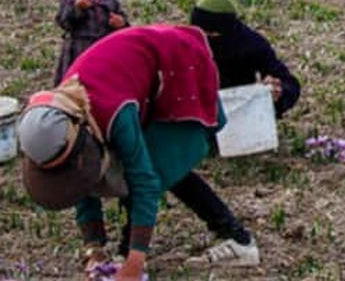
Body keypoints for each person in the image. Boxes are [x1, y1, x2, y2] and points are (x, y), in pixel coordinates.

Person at [17, 25, 259, 280]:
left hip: (177, 65)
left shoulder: (114, 113)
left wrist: (134, 259)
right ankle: (124, 251)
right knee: (149, 164)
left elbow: (145, 180)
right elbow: (76, 180)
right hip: (134, 76)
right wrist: (94, 248)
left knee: (162, 164)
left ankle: (240, 241)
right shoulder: (62, 115)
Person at [189, 0, 301, 117]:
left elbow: (289, 83)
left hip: (239, 112)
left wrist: (279, 92)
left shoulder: (251, 45)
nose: (205, 40)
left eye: (211, 35)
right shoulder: (184, 43)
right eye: (199, 33)